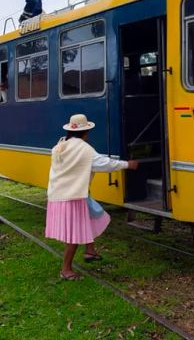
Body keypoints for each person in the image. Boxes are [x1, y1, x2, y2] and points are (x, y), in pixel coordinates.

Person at [45, 114, 139, 280]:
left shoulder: (60, 146)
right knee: (73, 235)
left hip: (61, 193)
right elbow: (104, 164)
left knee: (93, 214)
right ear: (86, 132)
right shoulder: (84, 149)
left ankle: (90, 250)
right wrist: (127, 165)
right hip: (73, 197)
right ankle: (66, 270)